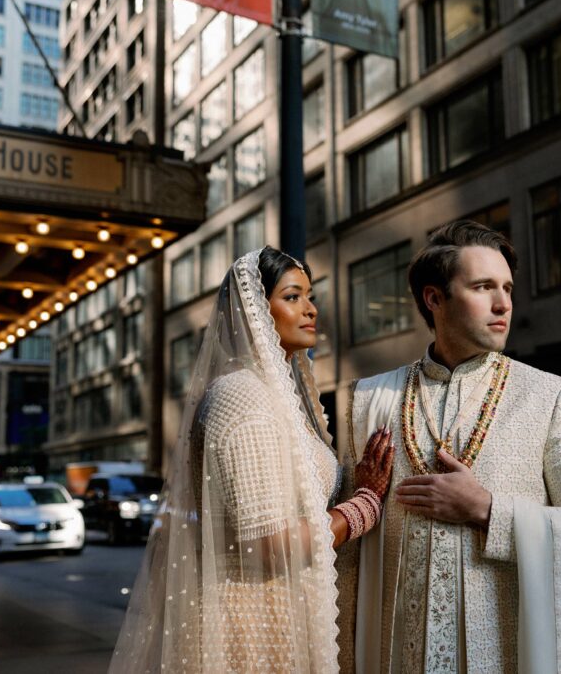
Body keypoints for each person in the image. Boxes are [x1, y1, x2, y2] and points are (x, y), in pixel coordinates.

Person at [335, 220, 561, 673]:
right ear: (435, 299)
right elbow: (350, 560)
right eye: (483, 286)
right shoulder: (369, 400)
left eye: (507, 287)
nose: (503, 303)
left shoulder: (548, 398)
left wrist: (487, 509)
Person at [109, 247, 393, 673]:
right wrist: (362, 507)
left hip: (283, 609)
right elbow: (267, 543)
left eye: (310, 296)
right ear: (254, 309)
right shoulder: (243, 398)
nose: (311, 309)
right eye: (292, 297)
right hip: (249, 624)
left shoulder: (274, 396)